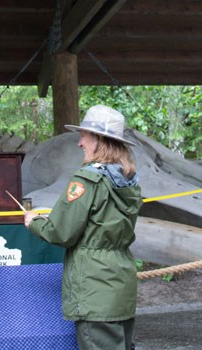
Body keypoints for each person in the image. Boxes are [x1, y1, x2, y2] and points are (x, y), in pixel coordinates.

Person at [24, 105, 142, 350]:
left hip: (94, 289)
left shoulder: (87, 179)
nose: (79, 143)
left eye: (84, 136)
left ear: (99, 140)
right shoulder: (128, 181)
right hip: (120, 287)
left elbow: (61, 232)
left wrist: (34, 222)